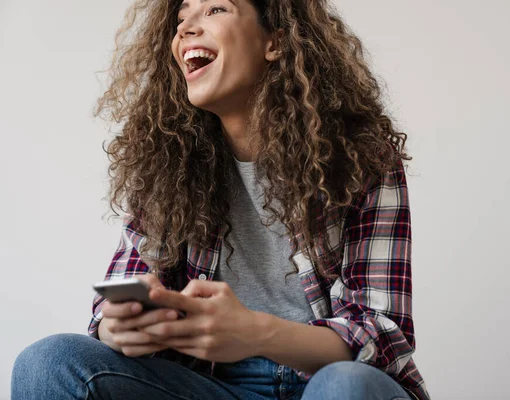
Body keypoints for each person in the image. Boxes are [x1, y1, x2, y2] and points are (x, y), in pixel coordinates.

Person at [11, 0, 430, 399]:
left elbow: (382, 333)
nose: (186, 28)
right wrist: (116, 327)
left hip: (327, 382)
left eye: (215, 9)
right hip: (212, 385)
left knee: (344, 386)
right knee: (47, 363)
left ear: (276, 42)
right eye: (181, 18)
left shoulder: (360, 156)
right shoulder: (167, 163)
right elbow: (121, 290)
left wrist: (253, 332)